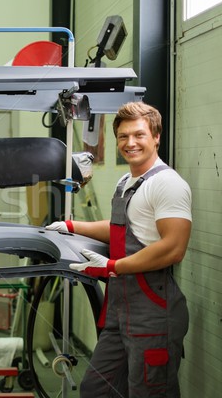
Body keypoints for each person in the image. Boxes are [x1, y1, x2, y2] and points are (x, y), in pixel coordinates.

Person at [46, 101, 191, 397]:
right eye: (123, 136)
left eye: (139, 134)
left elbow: (173, 248)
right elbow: (119, 227)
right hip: (120, 310)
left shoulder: (167, 184)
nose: (130, 143)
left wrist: (113, 267)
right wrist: (72, 226)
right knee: (97, 389)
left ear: (156, 136)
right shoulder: (126, 181)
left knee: (150, 392)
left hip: (153, 311)